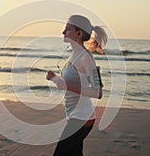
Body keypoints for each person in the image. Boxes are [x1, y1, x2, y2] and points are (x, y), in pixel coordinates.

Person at [46, 15, 107, 156]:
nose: (63, 32)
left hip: (82, 118)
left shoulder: (86, 58)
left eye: (67, 29)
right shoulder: (73, 55)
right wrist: (55, 78)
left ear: (79, 33)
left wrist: (66, 85)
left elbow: (98, 93)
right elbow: (70, 83)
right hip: (74, 116)